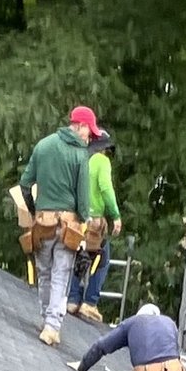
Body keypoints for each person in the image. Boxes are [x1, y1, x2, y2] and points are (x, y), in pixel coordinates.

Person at [18, 103, 100, 343]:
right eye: (89, 132)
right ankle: (52, 327)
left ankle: (46, 318)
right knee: (60, 274)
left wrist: (34, 211)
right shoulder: (80, 155)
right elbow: (83, 199)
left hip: (42, 222)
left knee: (44, 273)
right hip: (68, 226)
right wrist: (84, 222)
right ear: (80, 126)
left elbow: (25, 184)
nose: (89, 138)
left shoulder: (43, 145)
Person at [78, 130, 120, 311]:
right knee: (102, 260)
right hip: (95, 220)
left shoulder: (82, 158)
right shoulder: (102, 161)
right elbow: (106, 188)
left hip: (79, 217)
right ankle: (90, 302)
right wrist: (115, 215)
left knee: (78, 255)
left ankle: (72, 300)